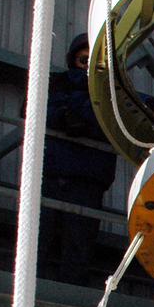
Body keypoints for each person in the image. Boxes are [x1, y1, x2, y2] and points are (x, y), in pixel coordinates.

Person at [38, 33, 117, 285]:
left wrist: (83, 120)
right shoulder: (55, 84)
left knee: (79, 241)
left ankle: (73, 286)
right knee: (38, 235)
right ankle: (29, 282)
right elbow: (32, 110)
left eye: (92, 60)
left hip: (87, 180)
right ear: (74, 59)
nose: (86, 65)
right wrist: (63, 117)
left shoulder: (110, 94)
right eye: (82, 59)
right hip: (52, 172)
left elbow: (117, 123)